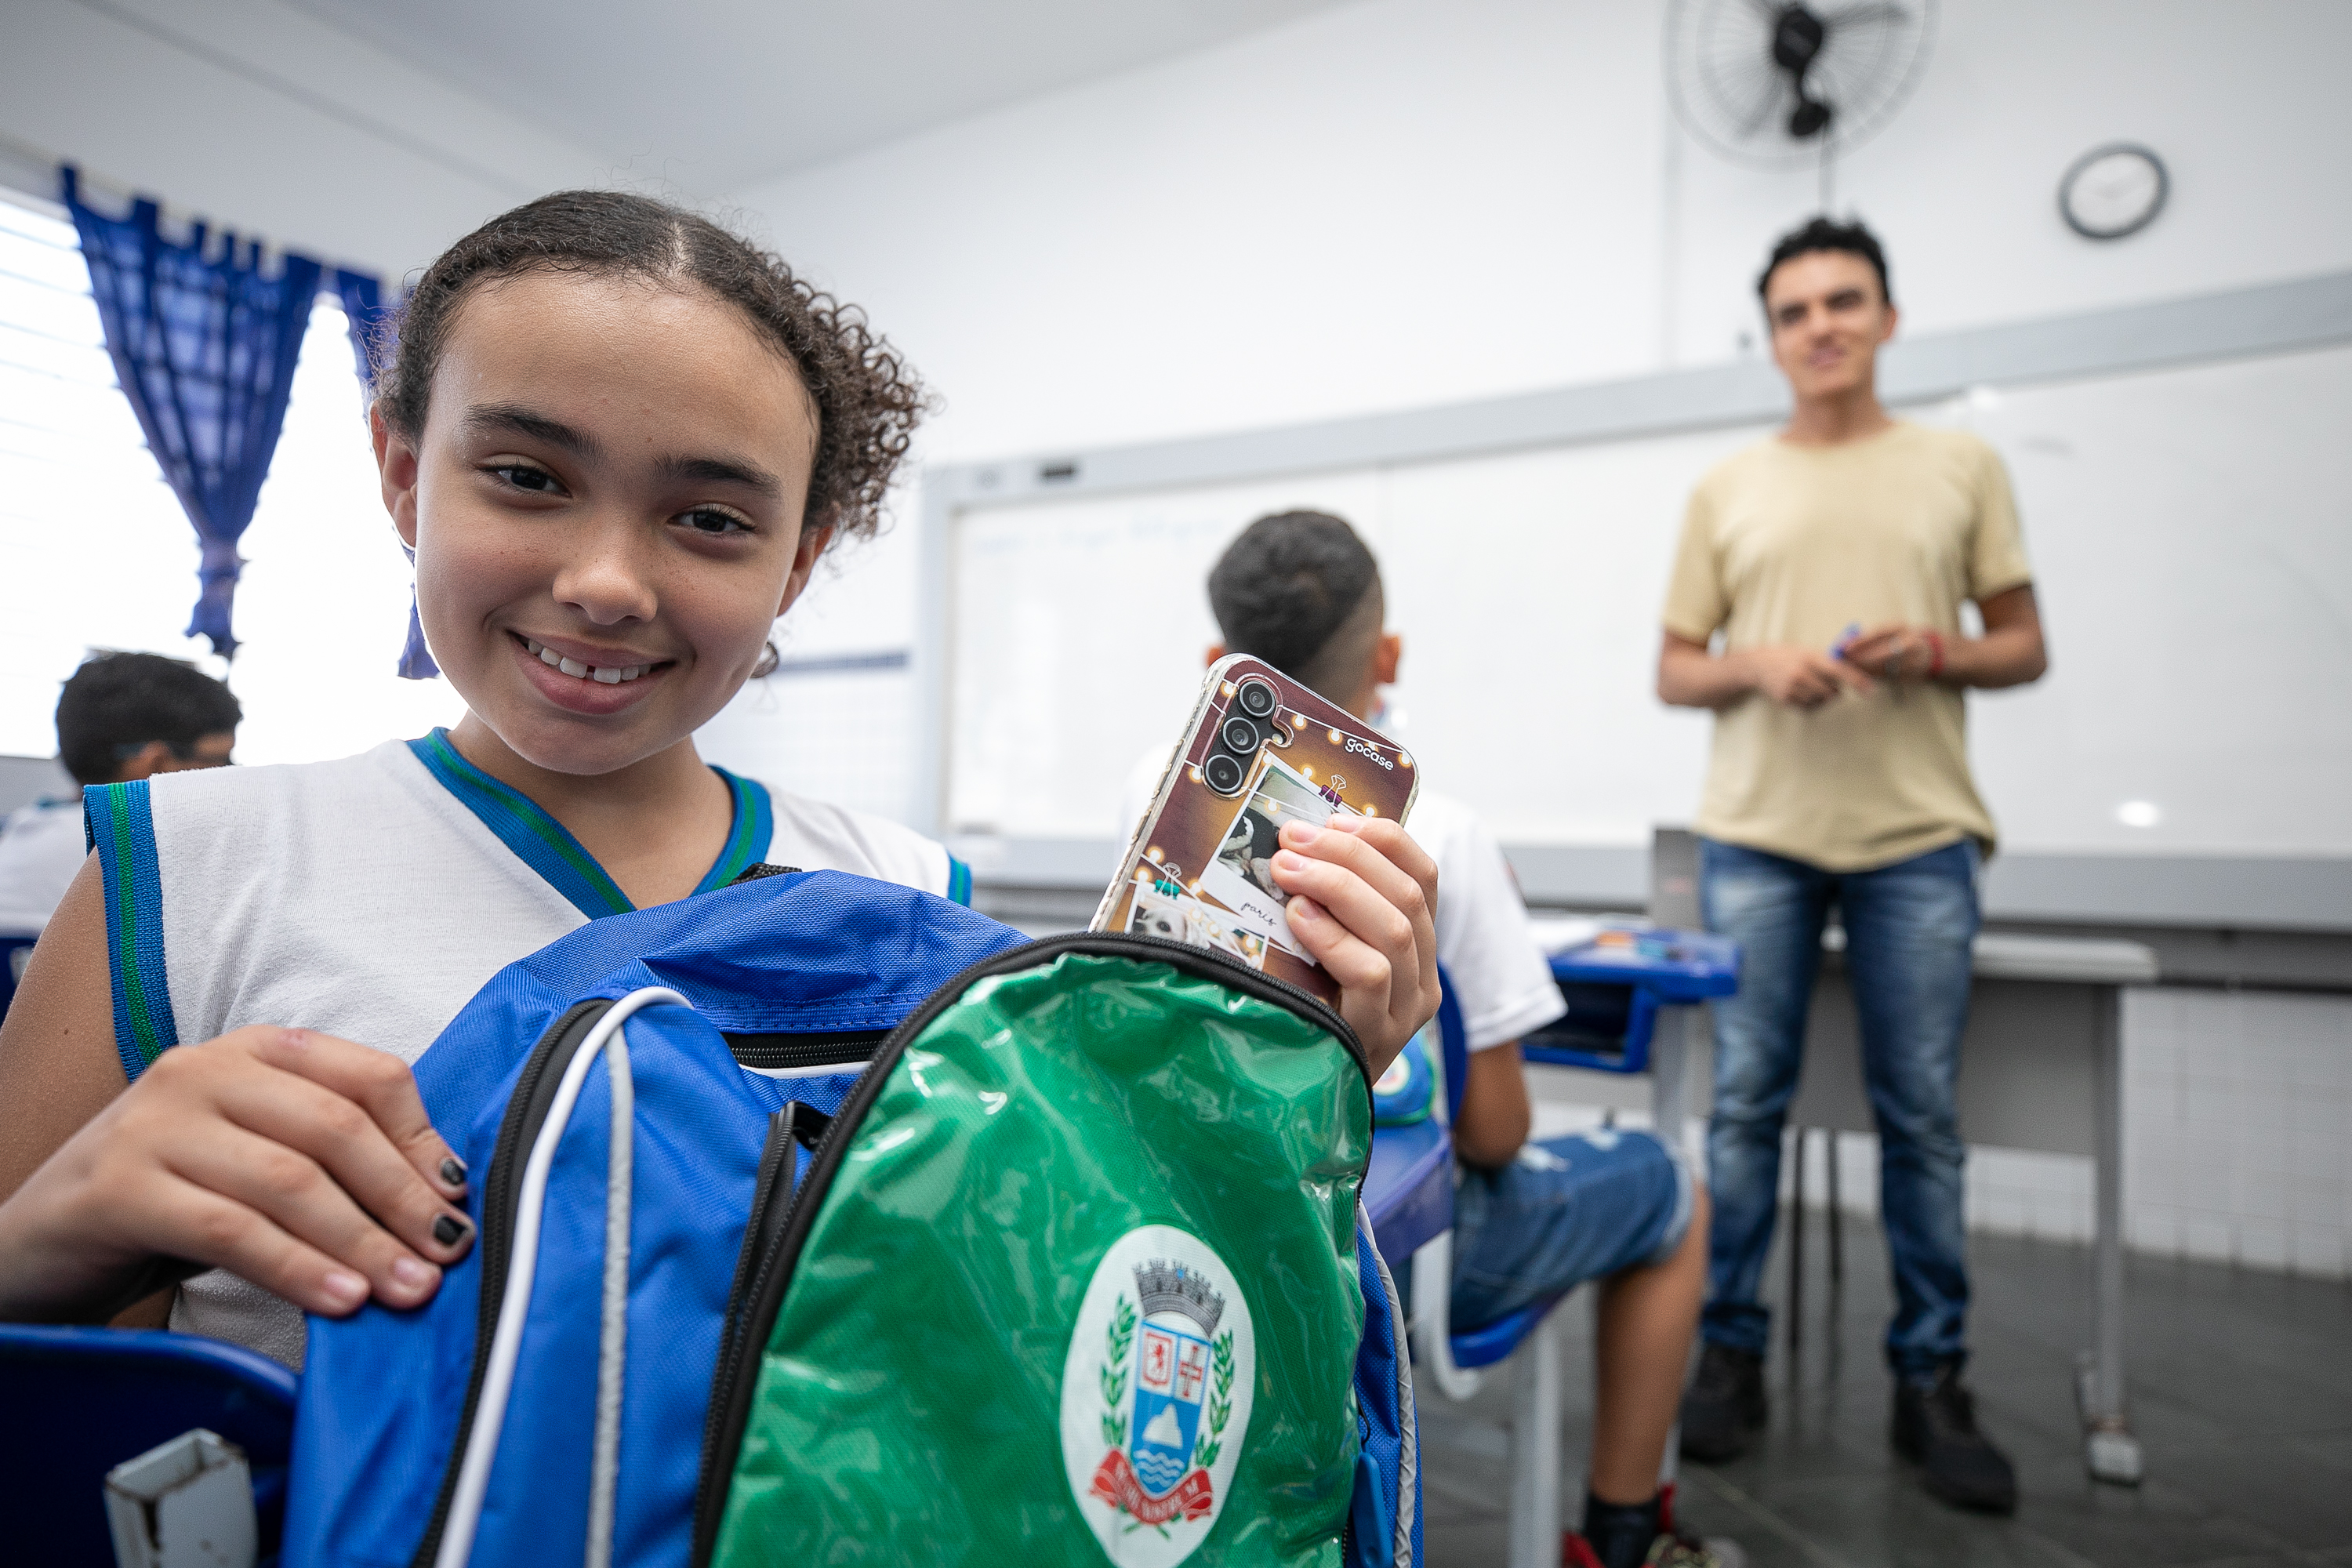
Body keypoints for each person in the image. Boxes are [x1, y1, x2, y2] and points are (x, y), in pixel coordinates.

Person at [0, 194, 1443, 1368]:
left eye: (706, 516)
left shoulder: (907, 893)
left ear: (796, 562)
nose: (607, 582)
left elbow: (1036, 1318)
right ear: (401, 473)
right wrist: (50, 1239)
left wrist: (1290, 1075)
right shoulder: (187, 866)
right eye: (525, 475)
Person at [1122, 512, 1737, 1568]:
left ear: (1219, 669)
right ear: (1389, 657)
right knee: (1673, 1189)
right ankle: (1629, 1536)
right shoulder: (1437, 835)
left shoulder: (1158, 794)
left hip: (1204, 1219)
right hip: (1398, 1263)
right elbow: (1495, 1135)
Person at [1657, 217, 2049, 1514]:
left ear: (1886, 318)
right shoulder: (1728, 488)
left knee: (1922, 1117)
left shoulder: (1962, 466)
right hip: (1759, 835)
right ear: (1772, 338)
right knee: (1749, 1102)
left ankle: (1931, 1380)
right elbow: (1675, 669)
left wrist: (1932, 650)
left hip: (1919, 838)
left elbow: (2024, 644)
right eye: (1794, 311)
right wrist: (1759, 665)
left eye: (1844, 301)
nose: (1820, 325)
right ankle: (1729, 1356)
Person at [0, 652, 238, 932]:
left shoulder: (18, 832)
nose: (230, 775)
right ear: (156, 763)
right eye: (221, 760)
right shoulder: (153, 855)